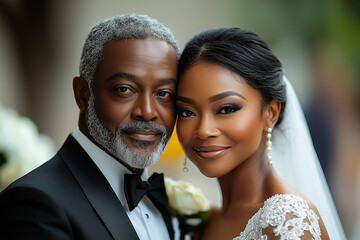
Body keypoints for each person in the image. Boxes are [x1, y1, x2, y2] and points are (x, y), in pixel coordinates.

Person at [0, 13, 180, 240]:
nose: (147, 111)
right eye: (125, 89)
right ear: (83, 95)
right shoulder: (33, 204)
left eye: (164, 94)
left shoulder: (164, 205)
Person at [175, 27, 346, 239]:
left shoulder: (288, 220)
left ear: (270, 113)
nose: (203, 130)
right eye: (187, 112)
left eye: (227, 109)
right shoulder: (205, 218)